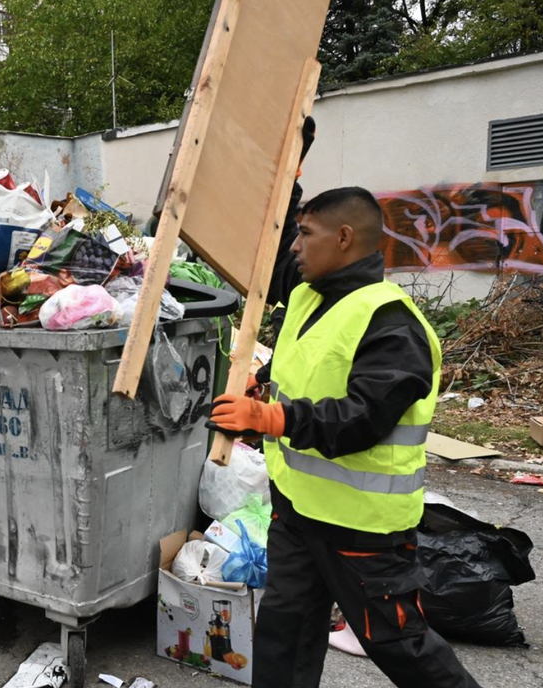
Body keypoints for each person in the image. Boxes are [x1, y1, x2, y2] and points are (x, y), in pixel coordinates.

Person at [206, 185, 484, 688]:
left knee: (398, 643)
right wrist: (286, 165)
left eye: (305, 235)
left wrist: (269, 418)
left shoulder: (392, 324)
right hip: (297, 511)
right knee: (282, 633)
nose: (294, 246)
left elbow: (362, 419)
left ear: (343, 238)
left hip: (361, 528)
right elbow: (269, 256)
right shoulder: (310, 293)